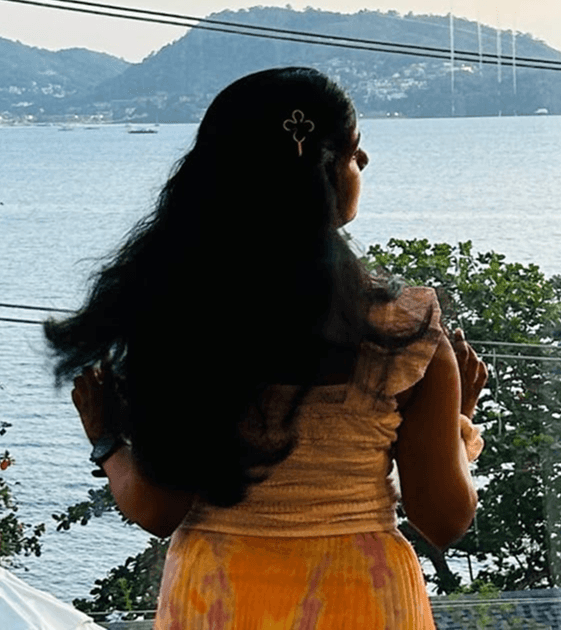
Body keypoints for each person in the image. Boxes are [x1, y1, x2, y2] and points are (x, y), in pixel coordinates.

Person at [45, 67, 487, 629]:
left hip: (218, 597)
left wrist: (106, 438)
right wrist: (458, 427)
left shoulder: (180, 321)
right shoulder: (406, 331)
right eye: (354, 149)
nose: (365, 162)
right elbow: (445, 518)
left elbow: (158, 509)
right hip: (363, 597)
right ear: (326, 170)